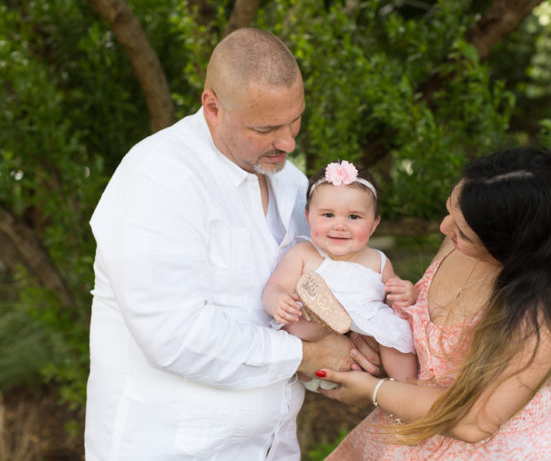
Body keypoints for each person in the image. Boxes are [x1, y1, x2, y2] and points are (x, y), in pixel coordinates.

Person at [84, 28, 369, 460]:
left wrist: (348, 361)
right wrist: (304, 356)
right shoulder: (157, 179)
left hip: (272, 447)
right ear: (212, 107)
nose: (288, 142)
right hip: (171, 448)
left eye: (295, 120)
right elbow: (175, 336)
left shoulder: (290, 183)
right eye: (267, 128)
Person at [318, 147, 551, 460]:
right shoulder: (466, 237)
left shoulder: (542, 318)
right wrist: (381, 349)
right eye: (450, 209)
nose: (444, 228)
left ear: (511, 248)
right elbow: (428, 344)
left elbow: (475, 422)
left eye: (461, 231)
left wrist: (373, 391)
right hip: (411, 432)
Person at [263, 160, 419, 389]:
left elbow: (391, 301)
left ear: (374, 224)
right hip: (316, 327)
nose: (340, 226)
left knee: (395, 334)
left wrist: (406, 294)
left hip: (365, 323)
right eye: (328, 215)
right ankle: (324, 320)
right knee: (299, 323)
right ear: (308, 217)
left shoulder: (379, 261)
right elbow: (275, 286)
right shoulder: (303, 253)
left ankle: (405, 387)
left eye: (354, 217)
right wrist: (278, 300)